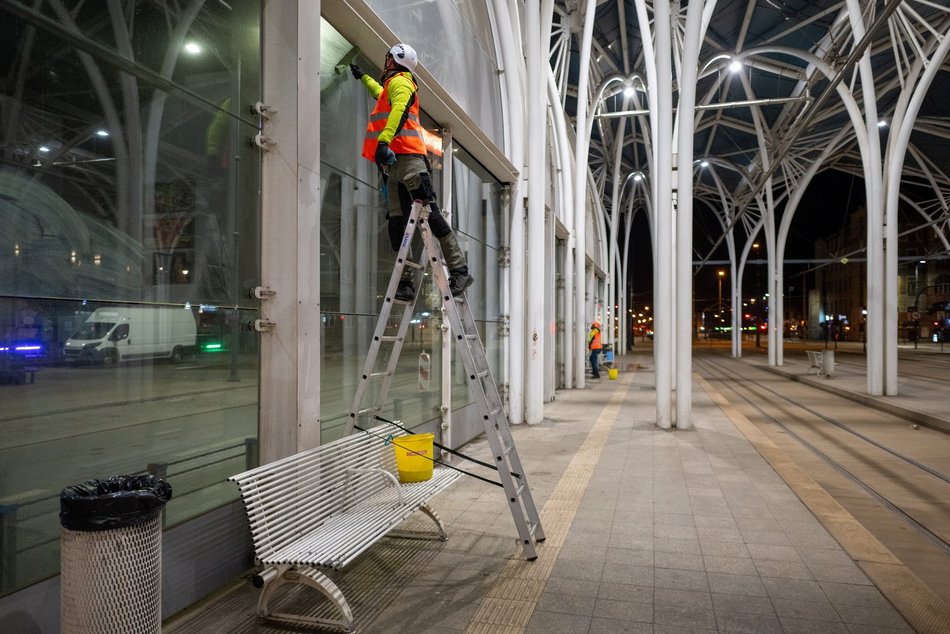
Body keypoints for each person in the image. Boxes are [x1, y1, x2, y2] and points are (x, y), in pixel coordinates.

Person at [350, 43, 473, 302]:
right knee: (397, 223)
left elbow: (400, 109)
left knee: (432, 215)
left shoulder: (403, 83)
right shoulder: (393, 85)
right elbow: (382, 96)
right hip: (394, 166)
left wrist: (383, 141)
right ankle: (404, 283)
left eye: (388, 58)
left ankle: (460, 270)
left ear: (397, 60)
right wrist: (364, 78)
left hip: (410, 161)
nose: (385, 62)